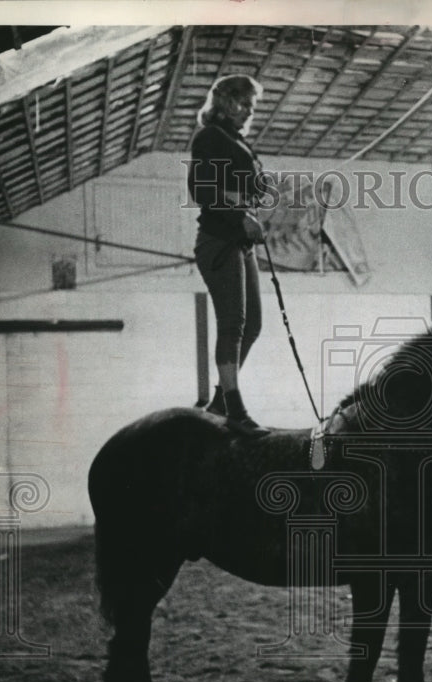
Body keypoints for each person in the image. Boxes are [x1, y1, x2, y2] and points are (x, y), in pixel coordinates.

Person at [187, 75, 269, 437]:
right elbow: (202, 189)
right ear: (224, 101)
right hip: (218, 239)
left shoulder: (237, 142)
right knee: (233, 323)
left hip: (239, 241)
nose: (249, 110)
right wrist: (239, 215)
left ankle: (222, 399)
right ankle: (233, 406)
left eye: (252, 104)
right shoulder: (209, 137)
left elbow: (246, 186)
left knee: (252, 326)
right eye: (244, 102)